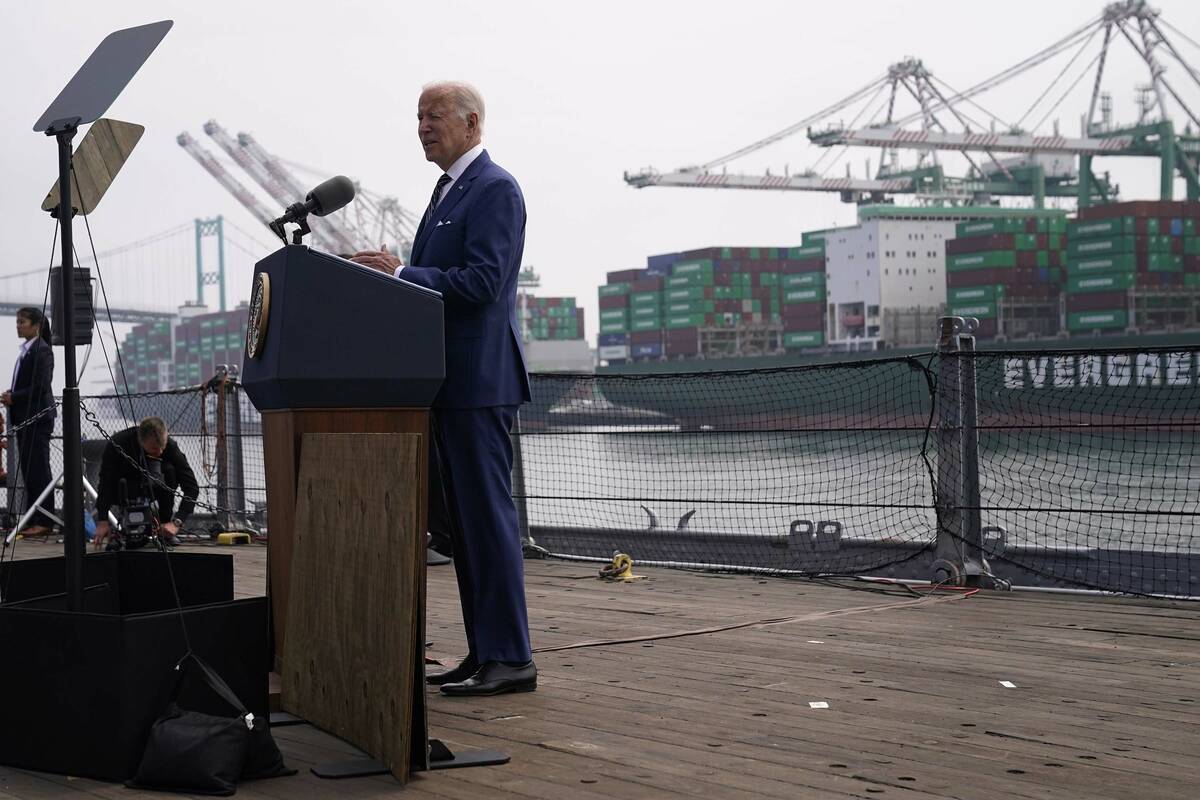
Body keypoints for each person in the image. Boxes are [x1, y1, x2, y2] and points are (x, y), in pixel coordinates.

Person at [352, 80, 535, 697]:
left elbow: (483, 282)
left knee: (488, 522)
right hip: (444, 384)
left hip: (478, 384)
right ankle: (485, 654)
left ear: (472, 124)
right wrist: (394, 277)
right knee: (463, 528)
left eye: (434, 116)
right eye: (418, 117)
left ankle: (511, 657)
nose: (423, 126)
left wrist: (402, 272)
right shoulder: (447, 191)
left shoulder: (495, 189)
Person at [93, 416, 199, 550]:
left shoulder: (170, 448)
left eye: (163, 446)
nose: (160, 451)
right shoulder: (119, 443)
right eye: (155, 448)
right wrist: (103, 520)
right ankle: (123, 530)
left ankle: (164, 526)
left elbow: (191, 487)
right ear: (141, 440)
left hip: (157, 487)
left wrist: (177, 522)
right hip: (126, 487)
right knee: (116, 479)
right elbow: (105, 483)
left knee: (169, 470)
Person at [1, 307, 57, 537]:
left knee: (39, 471)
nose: (18, 325)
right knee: (29, 471)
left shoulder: (42, 351)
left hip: (37, 419)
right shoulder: (27, 350)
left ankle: (44, 520)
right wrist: (12, 394)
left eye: (22, 322)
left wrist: (15, 397)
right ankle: (33, 517)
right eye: (17, 321)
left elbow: (42, 386)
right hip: (25, 420)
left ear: (36, 325)